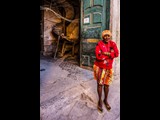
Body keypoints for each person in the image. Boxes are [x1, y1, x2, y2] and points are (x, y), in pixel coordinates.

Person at [93, 30, 119, 113]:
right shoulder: (99, 44)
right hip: (100, 67)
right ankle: (100, 100)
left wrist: (106, 54)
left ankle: (105, 100)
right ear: (102, 37)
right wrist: (110, 54)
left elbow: (117, 53)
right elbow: (98, 56)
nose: (107, 37)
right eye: (105, 36)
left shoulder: (113, 44)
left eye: (108, 35)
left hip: (109, 67)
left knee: (107, 85)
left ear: (110, 36)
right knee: (100, 84)